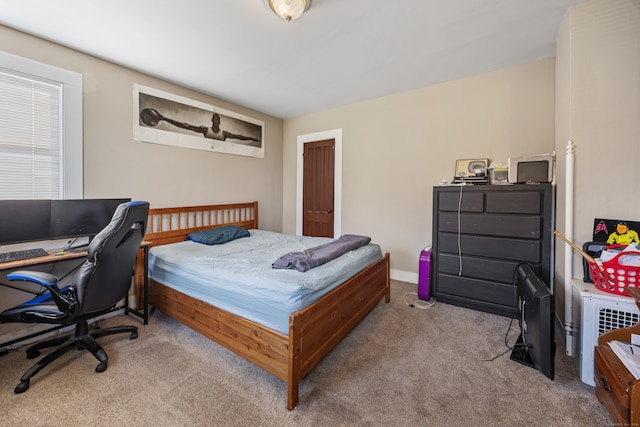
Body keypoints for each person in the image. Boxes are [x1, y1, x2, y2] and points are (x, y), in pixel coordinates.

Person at [140, 108, 260, 142]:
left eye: (218, 119)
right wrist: (165, 118)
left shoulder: (225, 134)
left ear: (220, 122)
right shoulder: (205, 130)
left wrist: (252, 139)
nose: (216, 121)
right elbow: (185, 126)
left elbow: (240, 137)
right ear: (211, 120)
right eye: (214, 119)